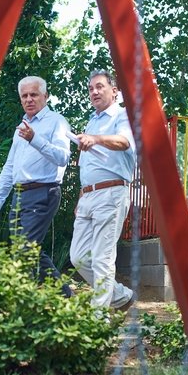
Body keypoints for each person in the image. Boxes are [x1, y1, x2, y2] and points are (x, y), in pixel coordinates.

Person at [0, 76, 74, 297]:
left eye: (34, 94)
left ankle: (36, 299)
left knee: (26, 249)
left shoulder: (57, 121)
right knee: (24, 250)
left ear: (45, 96)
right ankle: (62, 298)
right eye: (24, 96)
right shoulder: (21, 127)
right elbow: (10, 167)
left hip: (43, 192)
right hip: (19, 195)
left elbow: (63, 157)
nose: (29, 99)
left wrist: (35, 139)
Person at [69, 70, 136, 311]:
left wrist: (96, 139)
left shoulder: (122, 115)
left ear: (114, 91)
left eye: (99, 87)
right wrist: (81, 196)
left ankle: (99, 320)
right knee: (78, 257)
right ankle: (121, 297)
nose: (94, 92)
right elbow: (89, 165)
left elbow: (124, 142)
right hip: (88, 196)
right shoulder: (92, 121)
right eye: (91, 89)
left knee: (102, 258)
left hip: (111, 193)